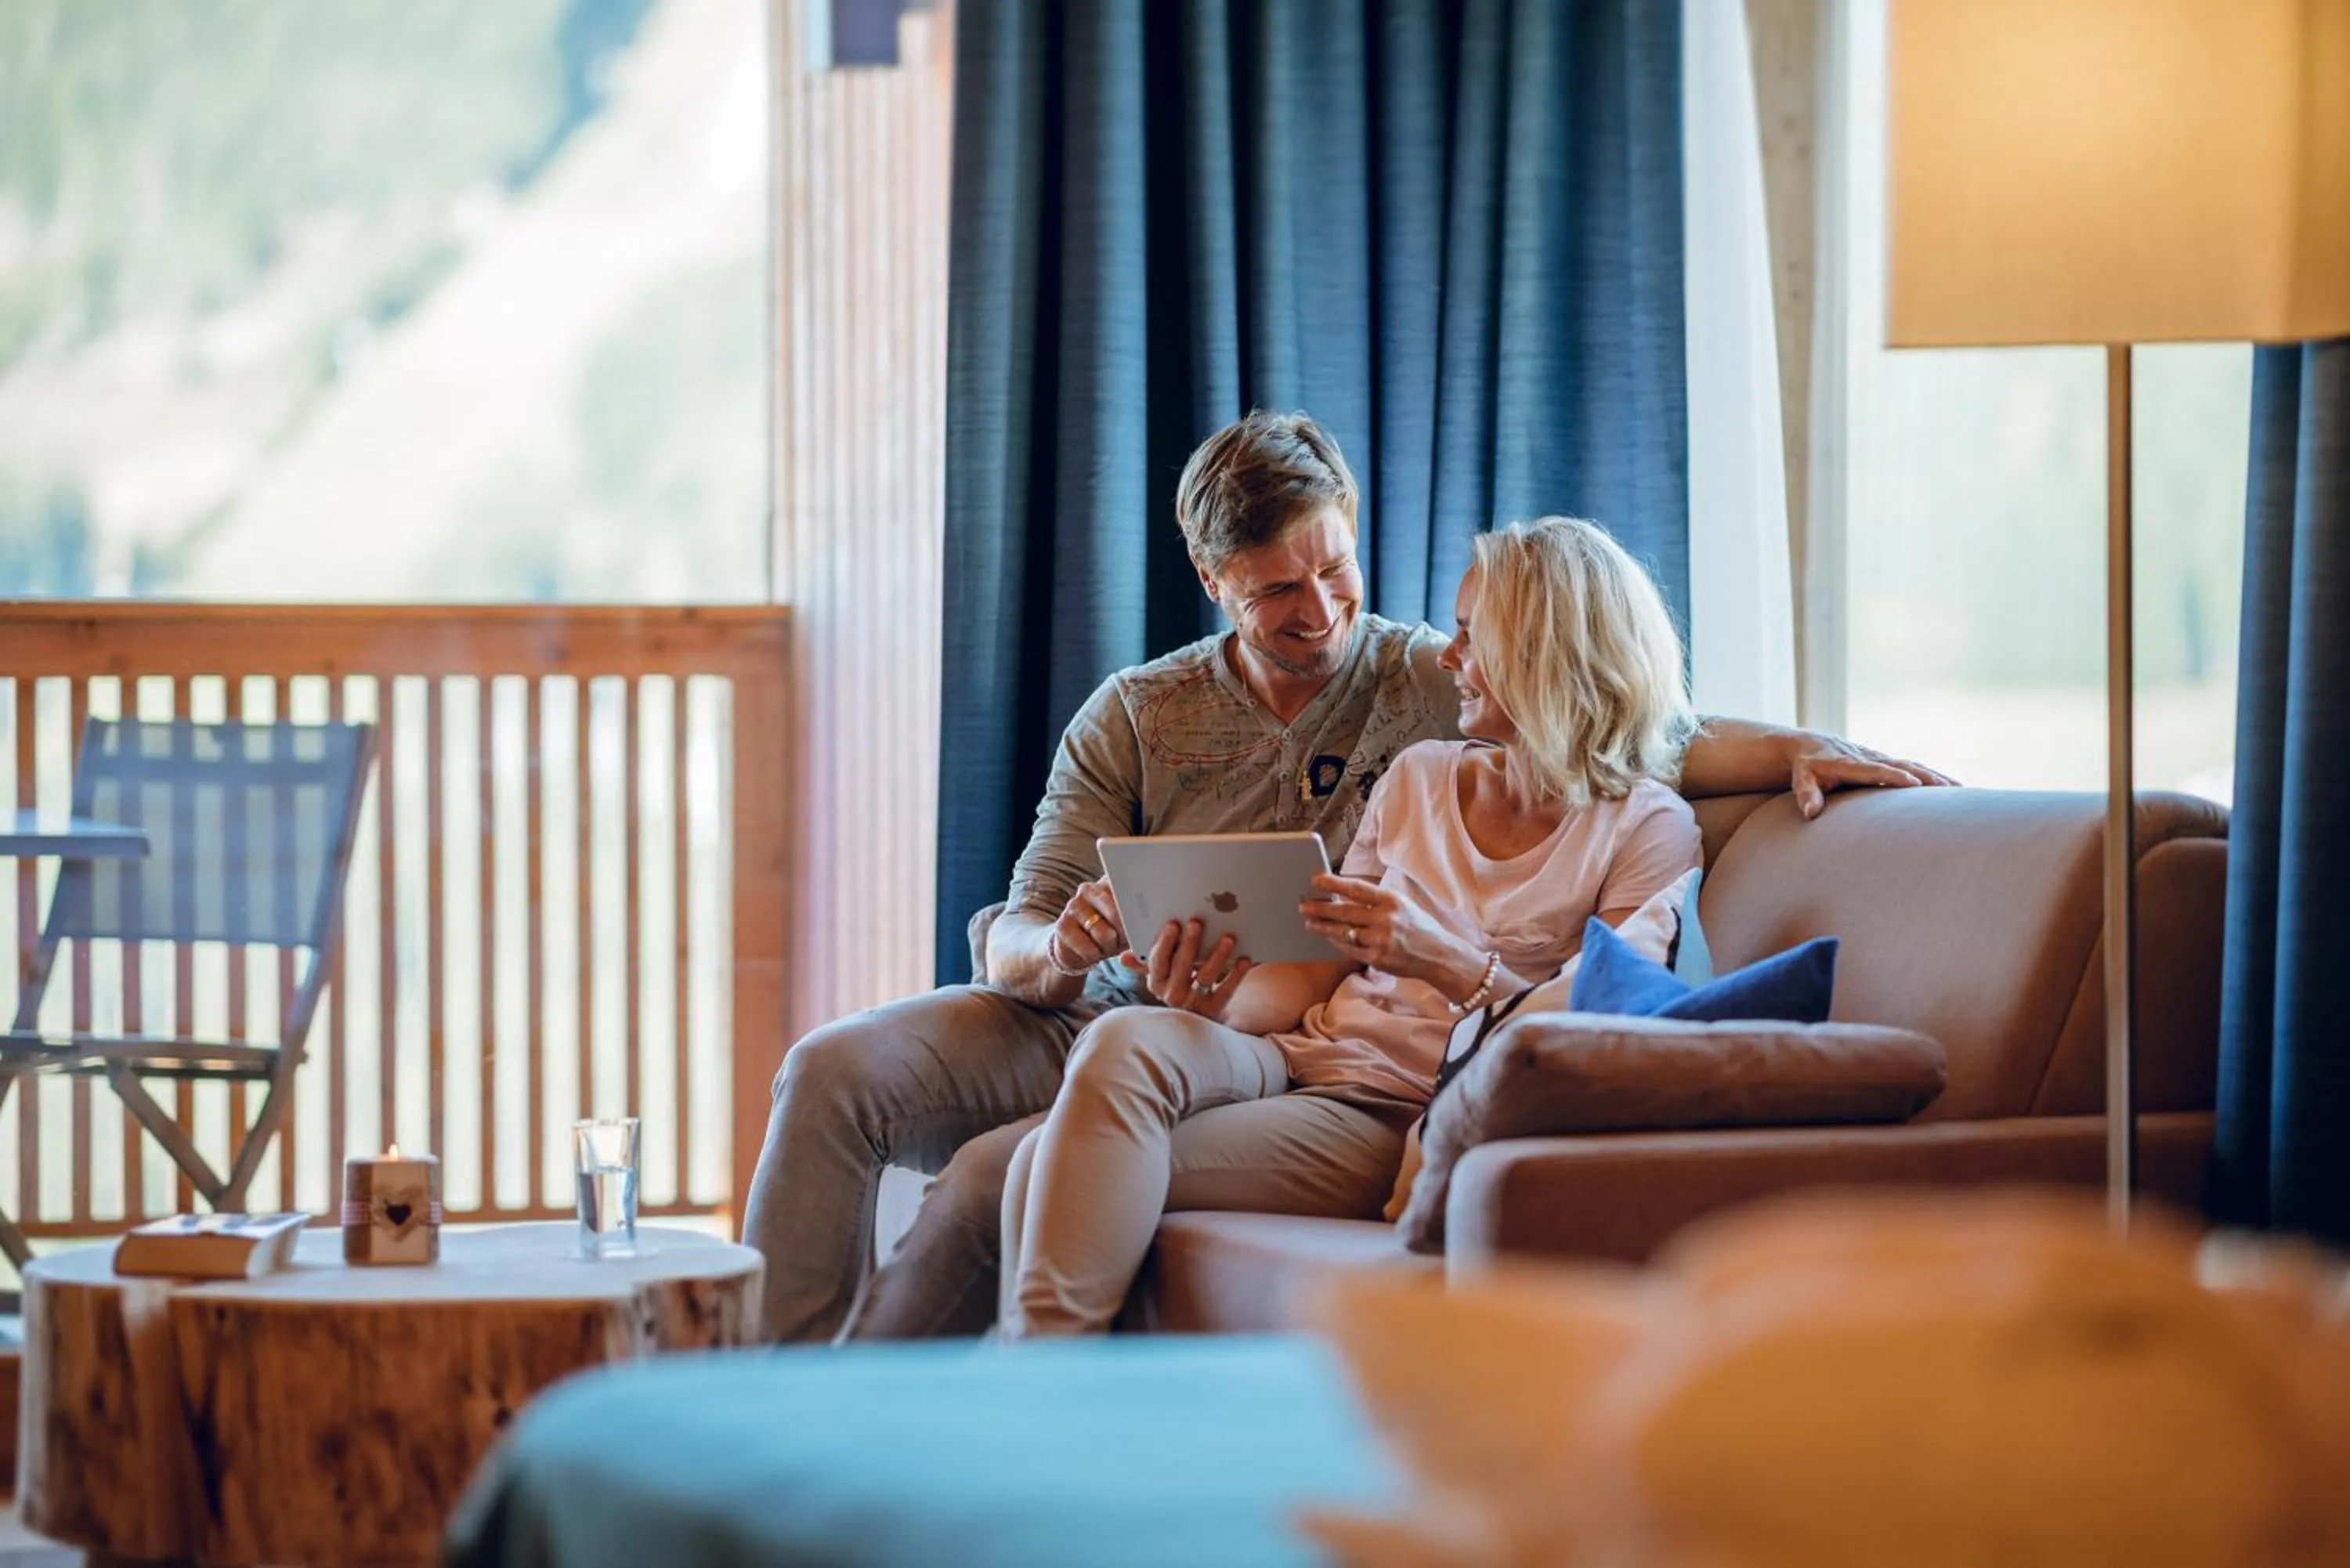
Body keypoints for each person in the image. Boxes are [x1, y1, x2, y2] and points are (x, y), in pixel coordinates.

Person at [739, 410, 1950, 1346]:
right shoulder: (1141, 714)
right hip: (1098, 1001)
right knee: (832, 1071)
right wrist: (1061, 951)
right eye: (1277, 589)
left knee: (1000, 1170)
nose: (1320, 608)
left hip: (1270, 1036)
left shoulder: (1435, 682)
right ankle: (779, 1406)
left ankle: (893, 1401)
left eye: (1338, 570)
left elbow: (1616, 718)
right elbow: (1028, 914)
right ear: (1215, 581)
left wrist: (1796, 745)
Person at [995, 515, 1701, 1335]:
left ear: (1544, 655)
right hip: (1299, 1058)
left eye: (1473, 637)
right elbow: (1309, 979)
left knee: (1041, 1166)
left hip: (1398, 1108)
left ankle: (1039, 1402)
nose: (1449, 658)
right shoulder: (1421, 775)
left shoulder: (1647, 828)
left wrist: (1445, 961)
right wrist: (1205, 994)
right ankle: (1050, 1402)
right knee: (1119, 1041)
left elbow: (1599, 1033)